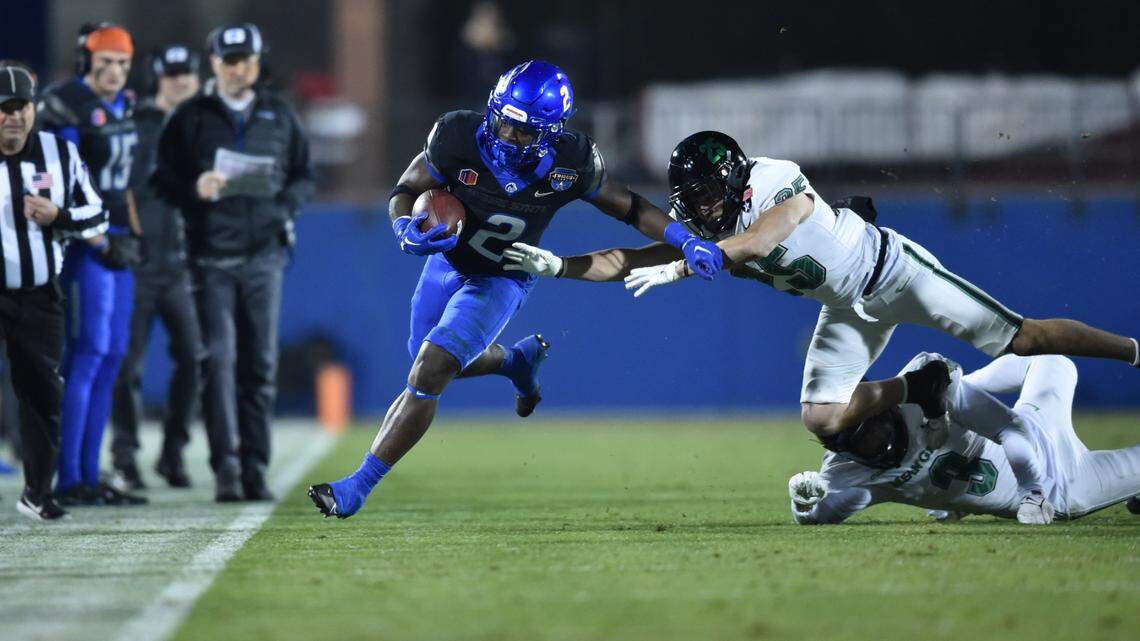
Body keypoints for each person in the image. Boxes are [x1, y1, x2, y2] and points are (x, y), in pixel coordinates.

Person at [503, 131, 1140, 441]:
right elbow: (627, 258)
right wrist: (560, 266)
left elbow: (766, 235)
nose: (696, 209)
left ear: (733, 181)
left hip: (893, 272)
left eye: (703, 194)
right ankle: (924, 387)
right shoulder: (709, 230)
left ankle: (1133, 350)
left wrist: (688, 262)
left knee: (1023, 339)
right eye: (687, 200)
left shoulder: (775, 179)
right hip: (847, 304)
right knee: (822, 418)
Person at [307, 60, 724, 519]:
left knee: (430, 371)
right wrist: (404, 226)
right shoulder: (456, 137)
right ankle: (515, 362)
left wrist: (685, 239)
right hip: (446, 265)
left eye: (523, 132)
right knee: (425, 356)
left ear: (551, 132)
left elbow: (632, 208)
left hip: (502, 275)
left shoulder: (571, 163)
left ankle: (358, 487)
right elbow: (406, 188)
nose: (507, 137)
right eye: (503, 122)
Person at [153, 23, 315, 502]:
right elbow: (162, 180)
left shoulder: (280, 114)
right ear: (213, 62)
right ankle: (226, 466)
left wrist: (283, 209)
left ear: (258, 61)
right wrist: (193, 189)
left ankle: (254, 468)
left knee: (260, 366)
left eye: (246, 59)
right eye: (230, 59)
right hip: (210, 259)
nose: (238, 67)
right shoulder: (191, 116)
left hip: (264, 256)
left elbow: (304, 176)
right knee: (219, 363)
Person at [788, 353, 1140, 525]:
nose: (878, 444)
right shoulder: (851, 472)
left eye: (874, 428)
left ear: (881, 408)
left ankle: (967, 393)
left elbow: (1011, 429)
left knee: (1053, 359)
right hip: (1064, 487)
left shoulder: (920, 387)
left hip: (1035, 457)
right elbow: (819, 514)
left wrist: (1031, 492)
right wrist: (802, 502)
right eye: (861, 444)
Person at [38, 22, 146, 506]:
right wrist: (97, 236)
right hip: (86, 242)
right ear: (85, 62)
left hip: (118, 238)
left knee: (111, 358)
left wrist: (132, 232)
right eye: (105, 62)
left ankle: (89, 471)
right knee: (87, 355)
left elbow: (121, 182)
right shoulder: (65, 104)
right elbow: (56, 178)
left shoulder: (123, 103)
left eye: (122, 63)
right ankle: (69, 476)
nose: (115, 72)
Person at [0, 61, 109, 519]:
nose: (13, 116)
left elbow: (98, 217)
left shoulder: (59, 153)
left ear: (34, 108)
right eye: (3, 108)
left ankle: (38, 492)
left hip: (38, 293)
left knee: (43, 393)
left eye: (20, 106)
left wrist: (58, 216)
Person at [110, 44, 204, 491]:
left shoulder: (206, 125)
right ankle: (125, 457)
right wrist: (130, 239)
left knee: (194, 358)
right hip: (140, 264)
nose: (180, 80)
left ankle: (171, 452)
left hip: (183, 265)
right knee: (128, 365)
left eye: (186, 73)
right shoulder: (136, 124)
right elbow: (118, 186)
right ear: (159, 79)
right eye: (173, 74)